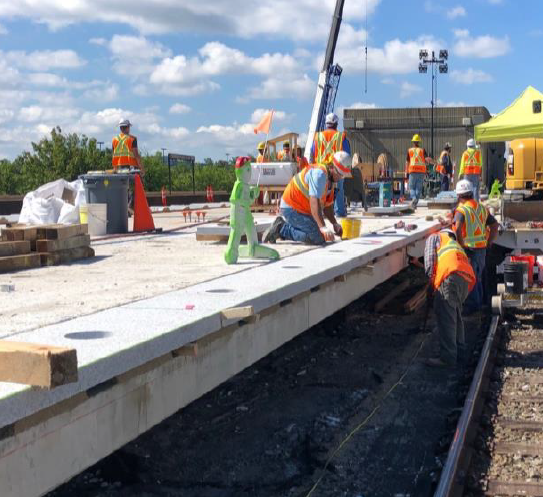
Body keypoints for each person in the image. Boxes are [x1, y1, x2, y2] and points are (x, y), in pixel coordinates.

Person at [263, 151, 352, 245]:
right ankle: (282, 229)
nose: (341, 177)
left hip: (302, 209)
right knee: (317, 238)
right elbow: (314, 202)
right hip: (291, 207)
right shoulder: (319, 175)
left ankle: (288, 227)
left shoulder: (330, 182)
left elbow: (327, 207)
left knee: (320, 235)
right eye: (340, 174)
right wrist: (323, 227)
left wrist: (335, 224)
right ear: (332, 167)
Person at [424, 228, 476, 367]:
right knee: (455, 315)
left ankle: (448, 358)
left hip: (450, 276)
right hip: (466, 280)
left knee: (446, 316)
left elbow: (430, 264)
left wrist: (431, 289)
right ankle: (460, 352)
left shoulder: (435, 237)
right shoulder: (455, 245)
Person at [453, 179, 499, 314]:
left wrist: (460, 244)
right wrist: (489, 241)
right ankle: (479, 304)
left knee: (469, 278)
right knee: (478, 277)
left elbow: (457, 229)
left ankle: (473, 307)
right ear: (471, 193)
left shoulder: (461, 210)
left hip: (469, 249)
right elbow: (495, 226)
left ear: (459, 196)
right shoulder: (481, 208)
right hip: (481, 248)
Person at [310, 113, 351, 217]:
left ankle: (320, 212)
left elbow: (312, 152)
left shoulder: (318, 136)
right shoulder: (341, 136)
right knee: (338, 190)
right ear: (336, 124)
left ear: (326, 124)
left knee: (320, 191)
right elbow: (347, 153)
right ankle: (339, 212)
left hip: (320, 169)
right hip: (336, 169)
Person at [405, 133, 429, 209]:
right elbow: (427, 160)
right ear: (419, 142)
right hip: (421, 172)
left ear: (413, 142)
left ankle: (414, 198)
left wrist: (406, 172)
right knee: (418, 188)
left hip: (412, 171)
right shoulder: (422, 150)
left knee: (411, 187)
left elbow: (407, 162)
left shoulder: (410, 150)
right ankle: (414, 204)